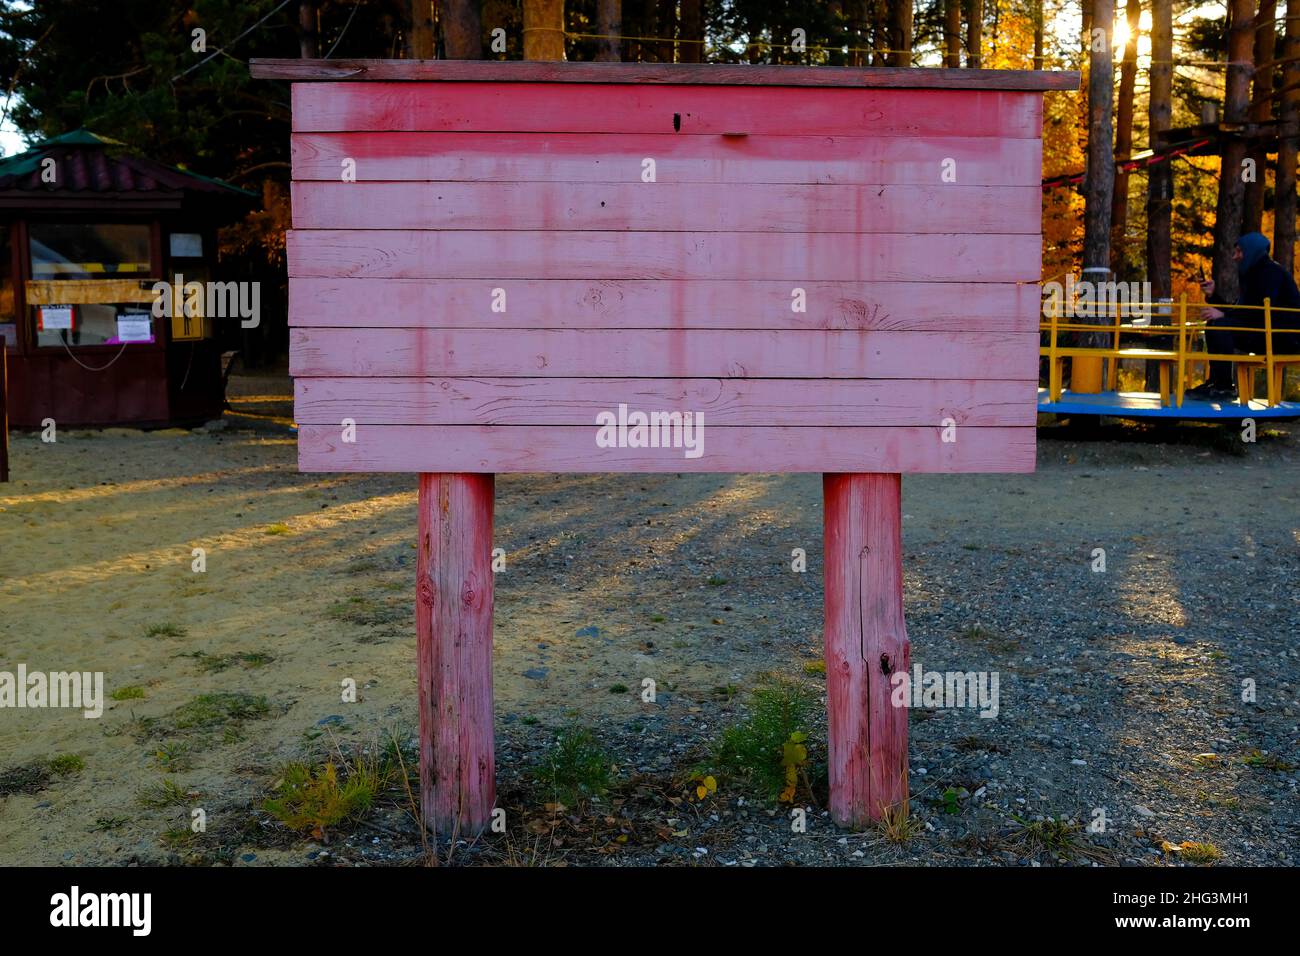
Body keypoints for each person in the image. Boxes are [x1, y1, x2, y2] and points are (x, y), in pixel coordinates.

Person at [1187, 232, 1300, 400]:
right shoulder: (1253, 273)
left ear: (1252, 251)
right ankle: (1218, 382)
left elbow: (1258, 312)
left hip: (1283, 337)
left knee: (1222, 326)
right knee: (1214, 324)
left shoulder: (1271, 273)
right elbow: (1243, 310)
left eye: (1239, 251)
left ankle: (1224, 388)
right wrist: (1213, 296)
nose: (1235, 256)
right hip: (1264, 332)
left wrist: (1223, 314)